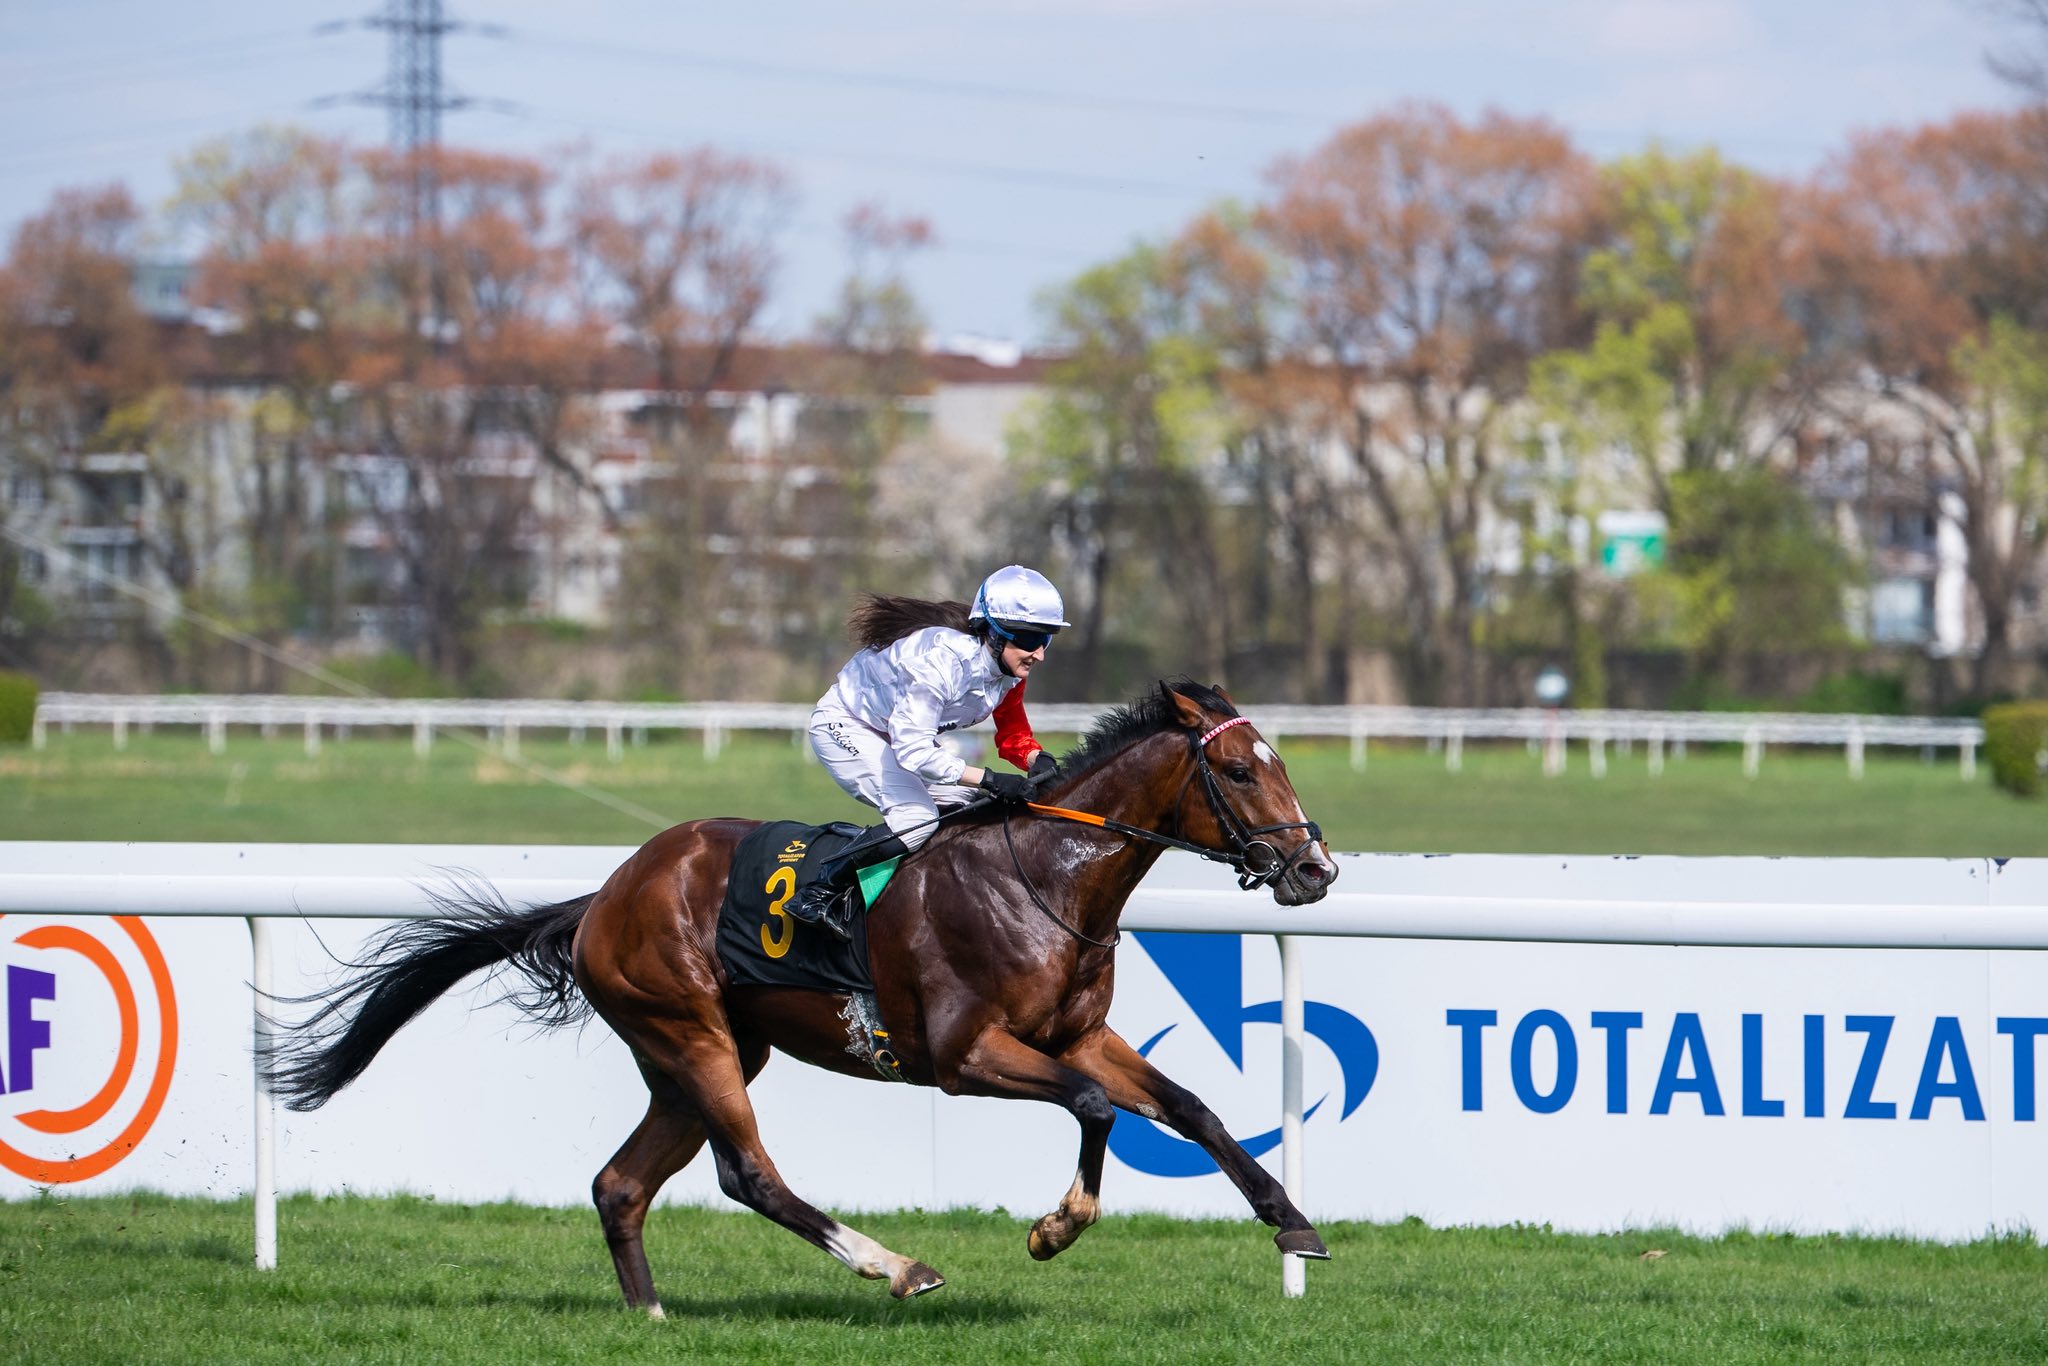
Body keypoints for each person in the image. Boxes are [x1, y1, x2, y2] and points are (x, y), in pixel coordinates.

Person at [787, 565, 1068, 940]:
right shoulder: (940, 663)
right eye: (1030, 639)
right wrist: (988, 778)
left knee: (969, 805)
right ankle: (820, 891)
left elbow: (1013, 733)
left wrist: (1037, 759)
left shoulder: (1007, 673)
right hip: (847, 726)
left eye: (1045, 640)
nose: (1039, 654)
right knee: (915, 817)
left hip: (896, 737)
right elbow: (915, 752)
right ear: (994, 635)